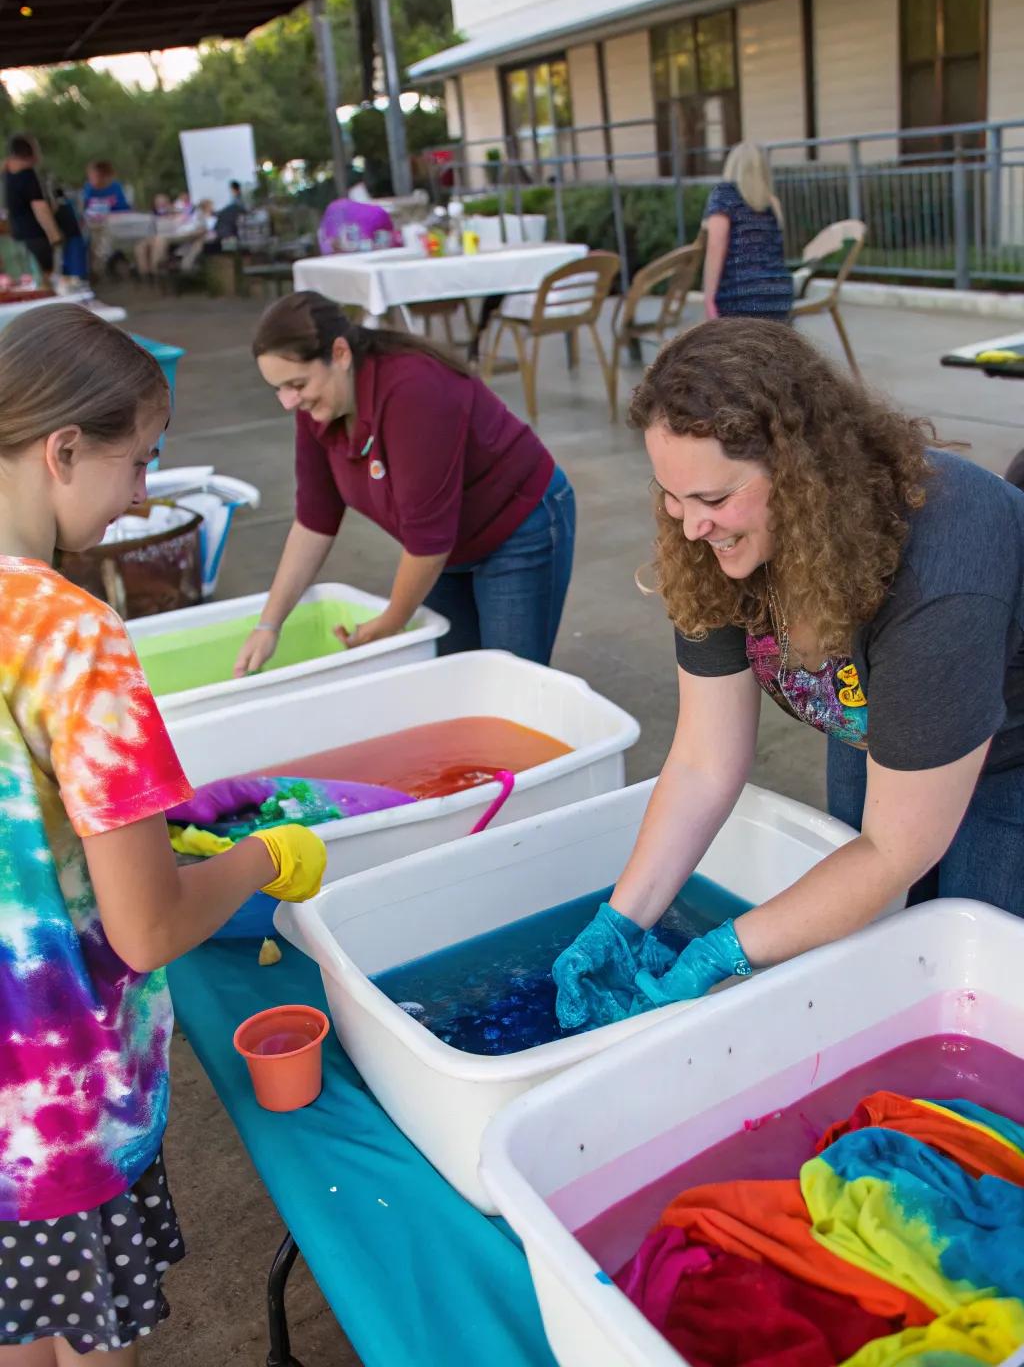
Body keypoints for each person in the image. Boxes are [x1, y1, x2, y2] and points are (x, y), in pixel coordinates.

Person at [0, 305, 326, 1362]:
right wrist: (259, 858)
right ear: (61, 450)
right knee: (81, 1343)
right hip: (55, 1097)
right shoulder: (71, 634)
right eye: (138, 462)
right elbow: (144, 930)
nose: (143, 496)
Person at [554, 319, 1024, 1029]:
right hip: (872, 721)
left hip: (1009, 751)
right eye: (672, 497)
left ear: (805, 474)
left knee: (970, 979)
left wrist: (722, 953)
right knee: (863, 953)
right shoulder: (711, 540)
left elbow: (896, 847)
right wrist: (621, 920)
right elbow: (705, 762)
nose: (689, 528)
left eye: (714, 500)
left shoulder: (945, 561)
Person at [233, 290, 576, 676]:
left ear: (341, 354)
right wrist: (269, 624)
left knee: (511, 680)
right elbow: (315, 519)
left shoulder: (413, 389)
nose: (289, 401)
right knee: (452, 678)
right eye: (279, 389)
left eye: (296, 383)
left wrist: (392, 621)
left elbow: (428, 540)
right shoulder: (316, 409)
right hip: (447, 545)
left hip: (517, 525)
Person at [701, 141, 793, 321]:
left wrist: (709, 297)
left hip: (739, 294)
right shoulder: (772, 203)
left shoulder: (724, 195)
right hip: (779, 294)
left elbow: (715, 246)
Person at [2, 135, 62, 280]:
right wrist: (55, 236)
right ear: (31, 152)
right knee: (44, 281)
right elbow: (40, 208)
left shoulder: (6, 175)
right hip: (36, 238)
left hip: (15, 239)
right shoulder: (28, 176)